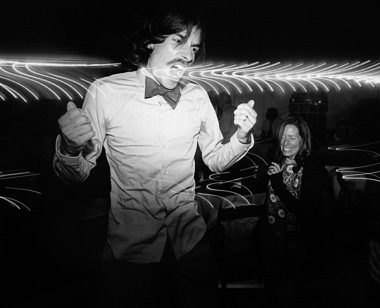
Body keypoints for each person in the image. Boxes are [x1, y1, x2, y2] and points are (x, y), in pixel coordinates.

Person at [53, 10, 257, 308]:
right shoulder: (106, 92)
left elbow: (214, 159)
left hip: (190, 244)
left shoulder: (198, 96)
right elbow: (77, 172)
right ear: (151, 42)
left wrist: (241, 137)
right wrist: (70, 149)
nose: (189, 56)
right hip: (131, 250)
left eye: (195, 48)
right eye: (180, 42)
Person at [256, 116, 333, 307]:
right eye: (283, 137)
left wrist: (277, 183)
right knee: (271, 294)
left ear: (302, 140)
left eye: (292, 138)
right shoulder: (279, 159)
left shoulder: (312, 167)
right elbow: (270, 196)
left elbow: (306, 211)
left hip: (294, 247)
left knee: (289, 296)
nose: (285, 143)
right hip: (271, 242)